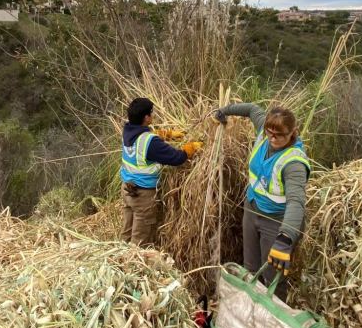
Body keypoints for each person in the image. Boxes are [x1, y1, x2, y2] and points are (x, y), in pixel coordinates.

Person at [214, 103, 310, 300]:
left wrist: (285, 238)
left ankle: (274, 314)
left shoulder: (294, 163)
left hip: (275, 221)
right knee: (250, 268)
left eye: (279, 135)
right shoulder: (264, 133)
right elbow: (252, 110)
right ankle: (249, 308)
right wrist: (225, 110)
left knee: (272, 278)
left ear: (292, 132)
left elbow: (296, 202)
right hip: (252, 209)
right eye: (269, 133)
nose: (272, 138)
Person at [120, 97, 202, 245]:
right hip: (142, 194)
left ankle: (119, 256)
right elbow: (176, 158)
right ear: (146, 118)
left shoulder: (127, 131)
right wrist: (189, 149)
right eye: (151, 113)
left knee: (127, 233)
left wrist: (165, 134)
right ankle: (134, 259)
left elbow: (142, 138)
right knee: (140, 241)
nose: (153, 115)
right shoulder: (150, 142)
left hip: (127, 189)